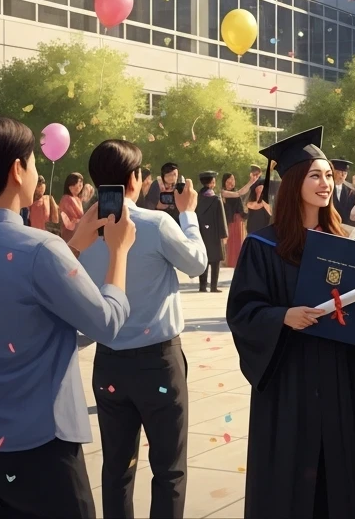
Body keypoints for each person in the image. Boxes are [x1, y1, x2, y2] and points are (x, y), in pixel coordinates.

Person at [227, 128, 355, 518]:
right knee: (287, 483)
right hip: (288, 379)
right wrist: (283, 316)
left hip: (337, 376)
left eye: (329, 175)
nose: (325, 183)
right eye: (315, 175)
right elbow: (243, 312)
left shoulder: (354, 243)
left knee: (339, 479)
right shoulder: (263, 246)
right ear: (294, 181)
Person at [0, 117, 135, 519]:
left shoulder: (46, 251)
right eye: (33, 162)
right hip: (41, 442)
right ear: (17, 169)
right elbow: (104, 322)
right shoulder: (40, 249)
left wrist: (71, 247)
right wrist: (119, 251)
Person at [80, 139, 208, 519]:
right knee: (169, 469)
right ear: (134, 179)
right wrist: (188, 214)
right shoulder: (155, 223)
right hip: (158, 363)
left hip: (109, 363)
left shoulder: (85, 230)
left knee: (117, 469)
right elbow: (198, 263)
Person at [196, 171, 228, 293]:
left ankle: (202, 286)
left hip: (201, 233)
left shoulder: (198, 197)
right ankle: (213, 287)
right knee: (215, 262)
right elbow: (221, 217)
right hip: (214, 233)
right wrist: (224, 234)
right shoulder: (215, 199)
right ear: (212, 183)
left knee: (204, 259)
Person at [221, 172, 247, 268]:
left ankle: (238, 262)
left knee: (239, 240)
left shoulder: (235, 192)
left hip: (239, 219)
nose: (232, 182)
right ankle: (231, 262)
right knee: (231, 240)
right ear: (225, 182)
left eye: (233, 179)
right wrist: (251, 182)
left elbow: (240, 208)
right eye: (229, 180)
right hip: (230, 220)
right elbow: (239, 193)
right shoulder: (224, 192)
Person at [330, 158, 355, 229]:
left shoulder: (351, 191)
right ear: (334, 172)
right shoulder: (327, 188)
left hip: (345, 228)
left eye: (345, 173)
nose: (343, 175)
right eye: (340, 172)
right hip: (328, 225)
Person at [59, 171, 86, 243]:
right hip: (70, 237)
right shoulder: (66, 199)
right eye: (79, 182)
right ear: (71, 185)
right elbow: (68, 222)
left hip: (78, 235)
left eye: (82, 182)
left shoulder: (78, 199)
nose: (81, 185)